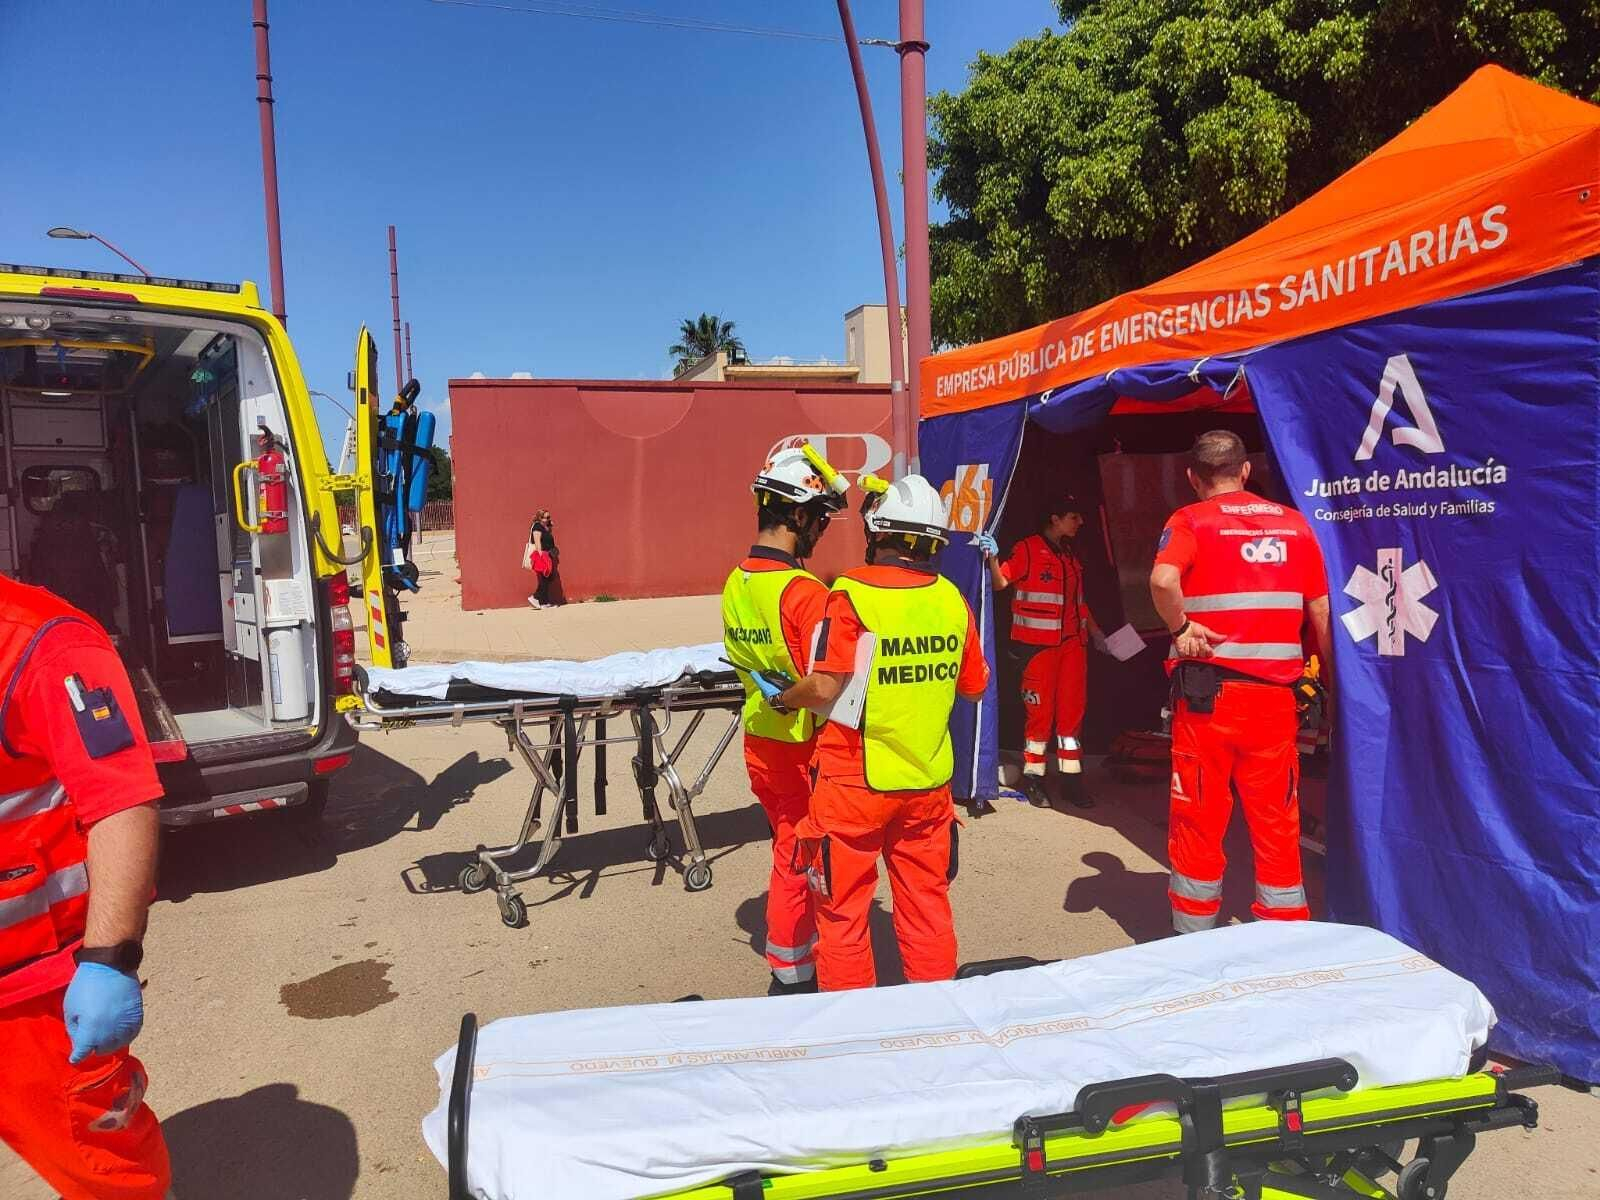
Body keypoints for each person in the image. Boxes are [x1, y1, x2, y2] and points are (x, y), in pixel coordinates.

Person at [776, 474, 989, 991]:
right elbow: (974, 688)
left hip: (854, 784)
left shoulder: (848, 594)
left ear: (877, 533)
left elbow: (825, 686)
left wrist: (784, 697)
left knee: (843, 915)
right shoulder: (952, 600)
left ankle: (858, 1038)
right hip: (926, 785)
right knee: (926, 908)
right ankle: (936, 1022)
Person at [0, 572, 171, 1199]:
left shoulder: (40, 644)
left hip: (28, 994)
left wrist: (110, 960)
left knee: (102, 1167)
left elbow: (119, 799)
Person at [1148, 430, 1332, 934]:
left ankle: (1194, 938)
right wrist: (1333, 690)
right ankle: (1284, 932)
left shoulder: (1189, 520)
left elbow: (1163, 580)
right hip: (1274, 704)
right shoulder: (1295, 526)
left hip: (1208, 702)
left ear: (1192, 477)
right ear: (1245, 470)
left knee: (1199, 820)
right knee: (1277, 821)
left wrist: (1181, 628)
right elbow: (1320, 610)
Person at [721, 445, 849, 995]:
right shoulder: (805, 593)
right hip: (802, 749)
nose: (821, 530)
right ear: (797, 515)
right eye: (819, 519)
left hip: (759, 743)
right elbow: (825, 685)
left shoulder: (736, 581)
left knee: (787, 847)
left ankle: (791, 964)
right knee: (800, 857)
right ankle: (792, 976)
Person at [975, 496, 1100, 811]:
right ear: (1055, 519)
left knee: (1072, 716)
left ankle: (1072, 780)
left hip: (1073, 646)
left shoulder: (1070, 553)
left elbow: (1080, 601)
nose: (1080, 522)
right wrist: (992, 556)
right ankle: (1034, 779)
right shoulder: (1028, 548)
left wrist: (1099, 636)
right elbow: (1001, 581)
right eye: (1073, 516)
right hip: (1037, 648)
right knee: (1039, 717)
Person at [525, 508, 560, 609]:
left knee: (547, 578)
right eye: (547, 517)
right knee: (545, 579)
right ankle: (535, 597)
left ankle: (544, 602)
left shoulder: (544, 527)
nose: (549, 519)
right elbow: (537, 542)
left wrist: (549, 527)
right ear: (540, 518)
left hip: (547, 555)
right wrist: (541, 556)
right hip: (542, 555)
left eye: (550, 517)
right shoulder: (537, 527)